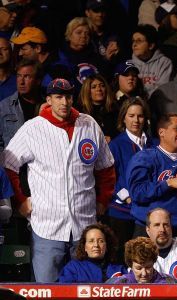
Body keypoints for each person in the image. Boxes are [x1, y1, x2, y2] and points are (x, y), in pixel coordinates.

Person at [3, 78, 115, 283]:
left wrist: (103, 200)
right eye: (58, 97)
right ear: (49, 99)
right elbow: (8, 164)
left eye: (68, 96)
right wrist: (20, 200)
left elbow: (106, 168)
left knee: (86, 294)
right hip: (47, 226)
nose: (64, 102)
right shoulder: (33, 128)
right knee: (47, 294)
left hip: (84, 226)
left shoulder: (89, 124)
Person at [127, 113, 177, 251]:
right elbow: (137, 193)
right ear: (162, 132)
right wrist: (168, 184)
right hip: (148, 234)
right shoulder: (144, 158)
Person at [106, 97, 157, 250]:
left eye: (140, 116)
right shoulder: (116, 144)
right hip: (122, 213)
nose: (136, 120)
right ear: (123, 118)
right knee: (122, 257)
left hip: (148, 211)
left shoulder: (154, 144)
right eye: (131, 116)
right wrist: (126, 196)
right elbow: (109, 178)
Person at [57, 223, 127, 283]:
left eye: (101, 241)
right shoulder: (73, 268)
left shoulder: (118, 269)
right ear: (85, 247)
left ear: (107, 246)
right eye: (91, 241)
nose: (96, 245)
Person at [0, 60, 42, 152]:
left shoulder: (48, 105)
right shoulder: (4, 107)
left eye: (27, 76)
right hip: (12, 164)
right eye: (19, 76)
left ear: (38, 81)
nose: (21, 82)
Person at [107, 236, 177, 284]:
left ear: (153, 263)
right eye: (139, 268)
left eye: (148, 267)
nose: (144, 273)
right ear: (130, 265)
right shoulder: (117, 284)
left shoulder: (169, 282)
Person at [130, 24, 173, 96]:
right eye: (133, 41)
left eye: (139, 41)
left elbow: (163, 90)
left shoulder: (164, 63)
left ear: (151, 45)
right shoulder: (129, 64)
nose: (134, 44)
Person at [77, 74, 119, 141]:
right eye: (94, 87)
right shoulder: (81, 113)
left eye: (102, 86)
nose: (99, 89)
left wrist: (112, 138)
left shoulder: (115, 109)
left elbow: (121, 131)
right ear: (87, 91)